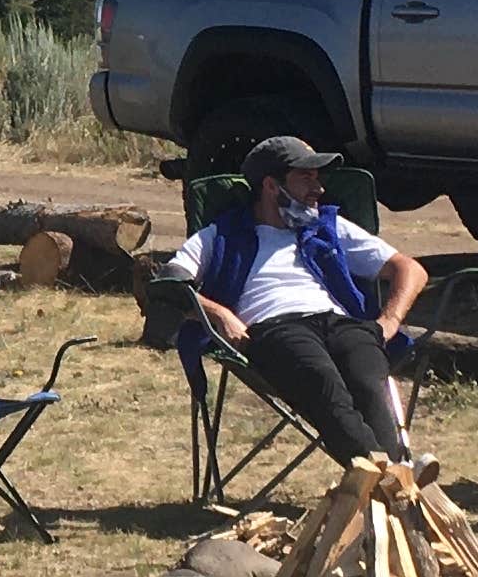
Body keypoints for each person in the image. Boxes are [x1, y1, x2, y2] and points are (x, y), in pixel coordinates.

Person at [158, 135, 427, 464]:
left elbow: (409, 269)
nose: (319, 189)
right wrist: (221, 315)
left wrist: (390, 320)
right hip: (276, 329)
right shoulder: (223, 234)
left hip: (341, 324)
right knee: (327, 390)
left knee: (371, 386)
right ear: (271, 186)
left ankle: (387, 481)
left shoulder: (328, 227)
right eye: (306, 178)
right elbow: (171, 282)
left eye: (318, 178)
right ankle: (395, 481)